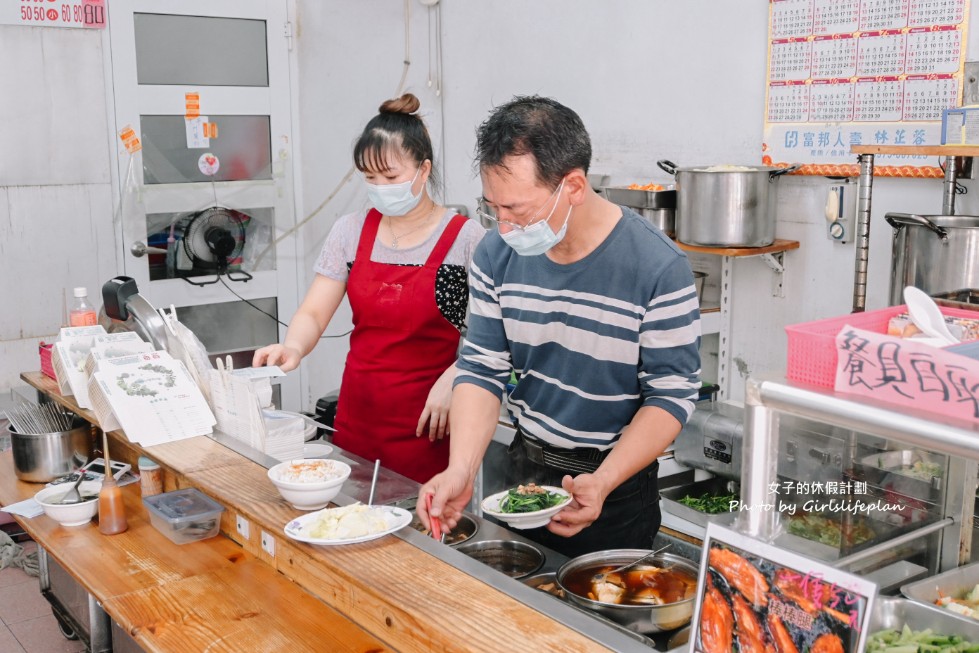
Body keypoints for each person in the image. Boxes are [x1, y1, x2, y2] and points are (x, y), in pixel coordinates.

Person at [418, 96, 701, 558]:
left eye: (519, 210)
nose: (505, 229)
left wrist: (604, 480)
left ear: (573, 185)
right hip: (523, 475)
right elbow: (482, 368)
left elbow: (671, 394)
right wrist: (461, 470)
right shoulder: (496, 254)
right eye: (493, 209)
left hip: (614, 488)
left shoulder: (656, 266)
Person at [253, 93, 485, 484]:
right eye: (369, 178)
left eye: (391, 177)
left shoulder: (465, 239)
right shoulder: (351, 231)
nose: (379, 188)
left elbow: (492, 335)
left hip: (429, 423)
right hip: (358, 415)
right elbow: (313, 312)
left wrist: (457, 375)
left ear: (423, 170)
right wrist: (292, 346)